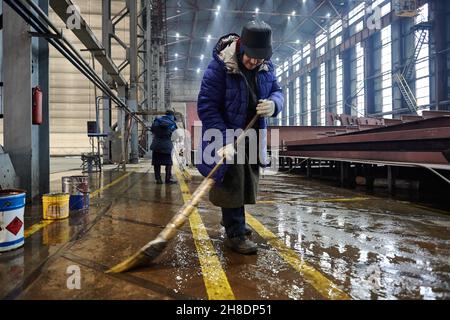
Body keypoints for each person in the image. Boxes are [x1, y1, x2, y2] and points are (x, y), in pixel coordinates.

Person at [197, 21, 283, 254]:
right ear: (240, 46)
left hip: (252, 134)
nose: (254, 62)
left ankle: (232, 221)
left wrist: (274, 104)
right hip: (225, 134)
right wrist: (223, 140)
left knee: (245, 182)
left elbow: (277, 90)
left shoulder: (267, 67)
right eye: (250, 57)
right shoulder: (220, 67)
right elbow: (207, 107)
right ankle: (236, 233)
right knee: (232, 182)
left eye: (259, 58)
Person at [150, 110, 178, 184]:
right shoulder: (172, 123)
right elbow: (175, 136)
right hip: (167, 146)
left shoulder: (157, 121)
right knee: (168, 163)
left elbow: (152, 130)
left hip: (156, 145)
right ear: (172, 115)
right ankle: (167, 180)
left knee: (156, 163)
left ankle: (158, 180)